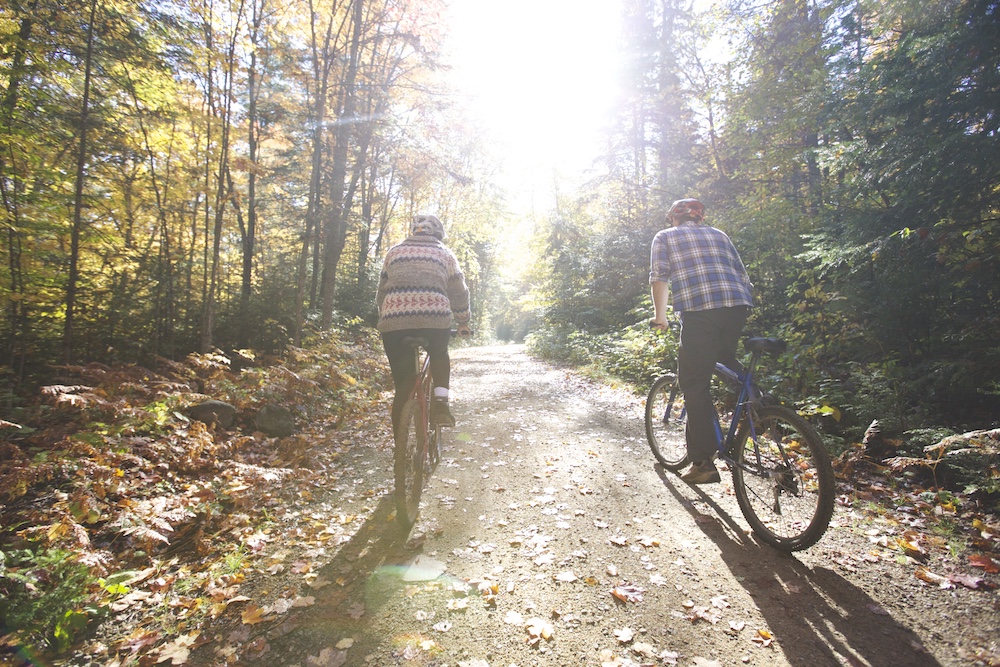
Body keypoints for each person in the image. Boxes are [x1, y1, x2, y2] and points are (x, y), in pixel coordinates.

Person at [649, 198, 754, 484]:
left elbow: (659, 279)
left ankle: (703, 463)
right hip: (737, 307)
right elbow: (743, 276)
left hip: (700, 312)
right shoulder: (719, 235)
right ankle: (760, 405)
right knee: (723, 359)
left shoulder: (665, 236)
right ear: (700, 217)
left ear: (674, 218)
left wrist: (661, 317)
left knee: (695, 383)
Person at [377, 214, 472, 439]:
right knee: (439, 353)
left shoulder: (394, 252)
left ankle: (399, 444)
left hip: (393, 322)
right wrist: (463, 321)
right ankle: (440, 405)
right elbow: (458, 291)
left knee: (403, 386)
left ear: (414, 231)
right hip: (434, 319)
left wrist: (387, 315)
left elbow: (382, 291)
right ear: (438, 233)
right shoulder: (445, 253)